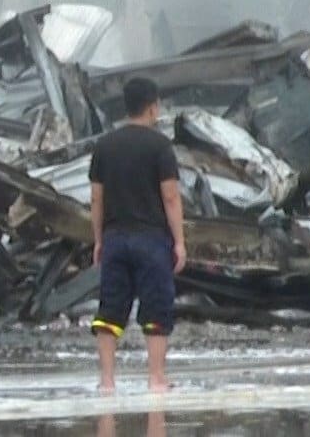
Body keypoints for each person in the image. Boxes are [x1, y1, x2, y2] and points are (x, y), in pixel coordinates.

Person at [89, 76, 186, 393]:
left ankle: (107, 381)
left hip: (115, 238)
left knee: (110, 310)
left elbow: (96, 199)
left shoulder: (104, 146)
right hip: (151, 240)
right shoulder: (160, 147)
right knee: (156, 308)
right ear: (153, 107)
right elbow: (171, 197)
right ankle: (156, 378)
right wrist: (180, 242)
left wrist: (99, 239)